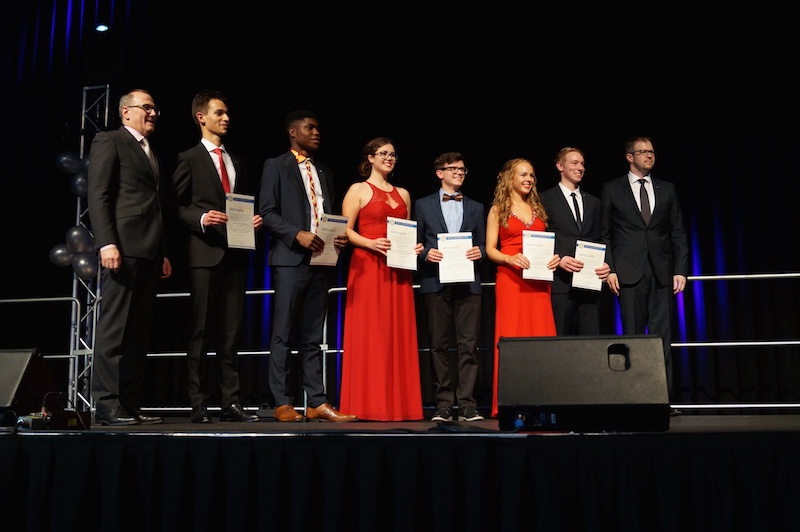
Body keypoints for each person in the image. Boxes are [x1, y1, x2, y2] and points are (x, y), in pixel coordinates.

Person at [259, 110, 357, 423]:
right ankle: (281, 402)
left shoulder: (324, 171)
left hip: (321, 260)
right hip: (290, 260)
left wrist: (338, 237)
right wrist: (296, 234)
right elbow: (267, 212)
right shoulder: (276, 165)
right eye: (310, 127)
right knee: (283, 333)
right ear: (293, 131)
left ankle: (316, 401)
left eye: (318, 128)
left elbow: (327, 214)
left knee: (313, 335)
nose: (316, 132)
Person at [171, 90, 261, 423]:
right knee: (200, 331)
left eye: (227, 113)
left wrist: (252, 220)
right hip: (205, 253)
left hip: (236, 254)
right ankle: (198, 402)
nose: (226, 118)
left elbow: (241, 202)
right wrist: (201, 218)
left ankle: (231, 401)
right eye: (219, 113)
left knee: (231, 333)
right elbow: (176, 207)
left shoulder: (237, 161)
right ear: (201, 117)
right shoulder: (188, 158)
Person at [87, 89, 172, 425]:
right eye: (146, 107)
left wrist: (162, 253)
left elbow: (154, 205)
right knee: (115, 330)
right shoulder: (110, 140)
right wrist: (106, 243)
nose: (152, 113)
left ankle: (130, 404)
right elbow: (99, 195)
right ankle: (107, 405)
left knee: (137, 334)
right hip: (122, 249)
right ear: (125, 112)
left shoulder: (151, 150)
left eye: (155, 109)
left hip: (149, 251)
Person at [339, 137, 424, 421]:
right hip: (368, 266)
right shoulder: (358, 189)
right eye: (383, 153)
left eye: (393, 154)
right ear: (370, 158)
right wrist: (369, 243)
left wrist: (414, 247)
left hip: (397, 269)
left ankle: (400, 406)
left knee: (397, 335)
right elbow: (345, 230)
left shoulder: (404, 194)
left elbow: (407, 231)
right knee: (372, 334)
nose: (389, 158)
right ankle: (368, 403)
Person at [600, 136, 688, 398]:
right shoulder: (612, 189)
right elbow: (605, 234)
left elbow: (678, 232)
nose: (649, 156)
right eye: (643, 152)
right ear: (630, 157)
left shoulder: (667, 189)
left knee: (662, 338)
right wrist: (610, 269)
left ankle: (663, 397)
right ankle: (634, 398)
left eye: (652, 152)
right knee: (632, 336)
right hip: (629, 273)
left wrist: (680, 269)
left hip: (662, 273)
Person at [486, 158, 559, 418]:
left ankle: (543, 400)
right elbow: (490, 249)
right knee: (512, 337)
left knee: (541, 336)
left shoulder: (537, 208)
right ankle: (510, 402)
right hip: (511, 280)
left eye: (531, 175)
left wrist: (553, 258)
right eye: (523, 174)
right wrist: (509, 259)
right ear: (510, 178)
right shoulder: (498, 209)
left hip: (538, 283)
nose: (528, 179)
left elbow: (545, 244)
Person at [415, 152, 485, 422]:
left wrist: (480, 251)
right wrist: (425, 254)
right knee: (438, 345)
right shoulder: (422, 205)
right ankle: (443, 403)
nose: (458, 172)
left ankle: (467, 403)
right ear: (439, 173)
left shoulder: (477, 207)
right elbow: (415, 243)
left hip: (468, 281)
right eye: (453, 168)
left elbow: (483, 244)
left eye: (462, 169)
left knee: (469, 345)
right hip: (435, 280)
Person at [540, 147, 610, 335]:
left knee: (590, 339)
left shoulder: (594, 202)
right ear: (560, 166)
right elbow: (541, 237)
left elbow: (601, 237)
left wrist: (606, 263)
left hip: (589, 282)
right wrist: (559, 258)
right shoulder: (544, 199)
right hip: (560, 282)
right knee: (559, 339)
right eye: (574, 163)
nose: (580, 168)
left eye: (582, 164)